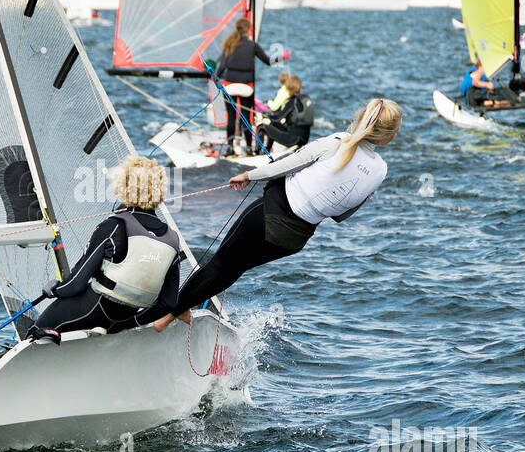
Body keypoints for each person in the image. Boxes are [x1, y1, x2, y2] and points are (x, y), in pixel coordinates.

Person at [149, 99, 403, 333]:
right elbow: (340, 215)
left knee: (221, 263)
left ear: (361, 118)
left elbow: (290, 163)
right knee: (233, 270)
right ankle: (182, 308)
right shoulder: (380, 170)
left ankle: (165, 316)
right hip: (293, 239)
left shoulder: (337, 141)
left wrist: (248, 175)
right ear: (388, 138)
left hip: (268, 214)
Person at [28, 156, 183, 341]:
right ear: (160, 191)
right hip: (126, 318)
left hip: (94, 307)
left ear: (124, 187)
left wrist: (55, 289)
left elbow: (76, 284)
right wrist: (132, 322)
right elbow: (168, 303)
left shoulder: (114, 226)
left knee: (36, 331)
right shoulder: (172, 239)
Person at [215, 18, 270, 155]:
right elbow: (268, 61)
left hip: (230, 86)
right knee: (246, 116)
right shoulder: (253, 45)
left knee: (231, 118)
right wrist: (281, 57)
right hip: (247, 87)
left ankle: (230, 148)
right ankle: (250, 148)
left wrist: (215, 78)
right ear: (249, 30)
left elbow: (222, 66)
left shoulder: (230, 44)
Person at [257, 74, 313, 150]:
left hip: (293, 139)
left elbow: (278, 118)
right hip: (304, 138)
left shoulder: (292, 101)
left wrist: (266, 116)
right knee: (274, 124)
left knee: (262, 127)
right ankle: (267, 149)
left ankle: (258, 152)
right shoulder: (304, 99)